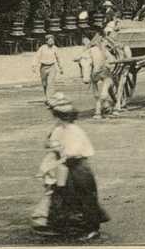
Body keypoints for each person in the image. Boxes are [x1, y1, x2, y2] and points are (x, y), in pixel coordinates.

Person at [40, 93, 109, 240]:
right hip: (66, 167)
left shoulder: (74, 131)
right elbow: (49, 142)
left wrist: (61, 151)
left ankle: (91, 228)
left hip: (78, 168)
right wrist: (54, 147)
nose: (58, 119)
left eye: (59, 116)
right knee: (63, 195)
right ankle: (65, 225)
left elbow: (74, 151)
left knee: (85, 196)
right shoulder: (59, 129)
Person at [87, 32, 116, 119]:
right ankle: (103, 107)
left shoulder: (104, 48)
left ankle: (101, 108)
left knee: (104, 92)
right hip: (94, 71)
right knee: (97, 93)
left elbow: (111, 59)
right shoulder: (90, 50)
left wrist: (108, 64)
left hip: (105, 70)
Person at [32, 35, 64, 100]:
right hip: (43, 67)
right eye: (50, 40)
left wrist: (61, 68)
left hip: (52, 67)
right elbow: (37, 57)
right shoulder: (42, 48)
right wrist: (34, 66)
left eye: (53, 40)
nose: (52, 42)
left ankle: (50, 99)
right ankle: (47, 97)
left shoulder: (55, 48)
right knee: (44, 84)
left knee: (50, 83)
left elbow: (59, 58)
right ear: (46, 41)